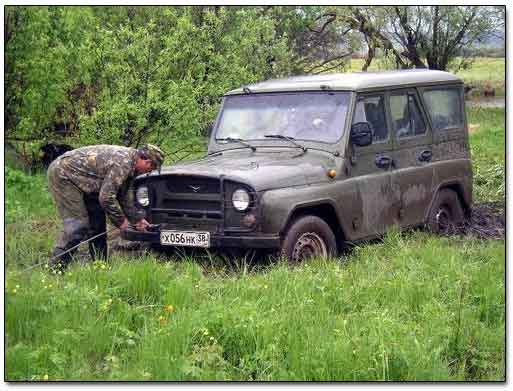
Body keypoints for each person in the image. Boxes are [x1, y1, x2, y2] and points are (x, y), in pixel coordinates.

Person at [47, 143, 165, 271]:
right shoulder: (123, 163)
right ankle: (55, 268)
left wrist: (137, 219)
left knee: (97, 223)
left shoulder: (132, 166)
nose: (151, 171)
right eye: (152, 166)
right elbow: (106, 198)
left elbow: (124, 196)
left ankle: (100, 267)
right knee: (78, 226)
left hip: (88, 182)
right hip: (63, 174)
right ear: (145, 160)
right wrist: (121, 222)